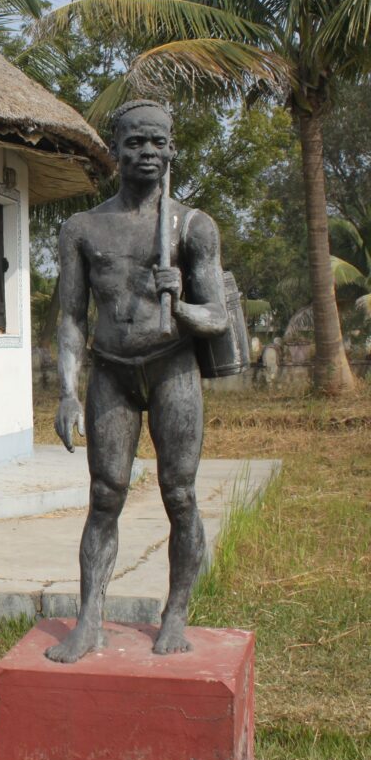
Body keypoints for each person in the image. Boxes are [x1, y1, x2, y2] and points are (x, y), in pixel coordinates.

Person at [47, 100, 228, 663]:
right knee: (104, 496)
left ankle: (174, 615)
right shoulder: (82, 228)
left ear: (172, 150)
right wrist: (68, 391)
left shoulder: (191, 227)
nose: (146, 153)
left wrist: (184, 304)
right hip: (113, 372)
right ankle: (91, 620)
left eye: (157, 143)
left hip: (172, 366)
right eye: (134, 143)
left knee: (179, 494)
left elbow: (216, 315)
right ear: (115, 151)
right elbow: (72, 317)